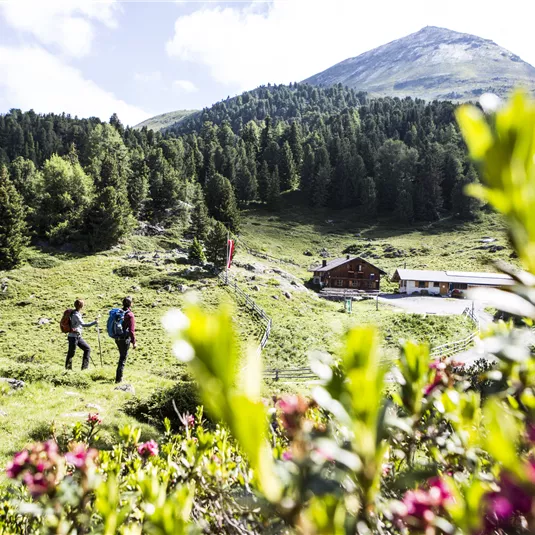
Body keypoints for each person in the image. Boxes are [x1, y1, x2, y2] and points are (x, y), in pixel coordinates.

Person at [66, 299, 98, 370]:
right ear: (81, 306)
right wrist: (94, 322)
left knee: (87, 349)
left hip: (77, 336)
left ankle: (84, 368)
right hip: (73, 337)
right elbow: (84, 324)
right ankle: (68, 369)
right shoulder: (76, 315)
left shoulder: (75, 313)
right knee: (71, 353)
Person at [115, 296, 136, 383]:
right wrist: (134, 342)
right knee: (123, 358)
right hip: (125, 339)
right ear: (130, 304)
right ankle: (118, 379)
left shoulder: (118, 312)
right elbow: (131, 331)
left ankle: (119, 377)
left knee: (121, 356)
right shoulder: (130, 315)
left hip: (117, 338)